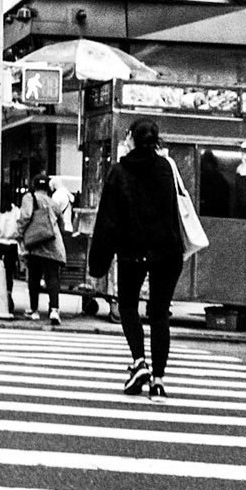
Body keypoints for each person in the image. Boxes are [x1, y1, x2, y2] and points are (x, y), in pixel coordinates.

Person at [88, 118, 184, 398]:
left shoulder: (118, 172)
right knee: (159, 313)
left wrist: (99, 260)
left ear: (130, 138)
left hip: (133, 252)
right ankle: (159, 379)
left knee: (128, 306)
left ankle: (139, 362)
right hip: (167, 251)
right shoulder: (166, 168)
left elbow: (108, 220)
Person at [18, 175, 70, 325]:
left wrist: (19, 233)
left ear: (34, 185)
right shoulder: (53, 203)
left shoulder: (29, 198)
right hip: (53, 243)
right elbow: (61, 224)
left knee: (34, 276)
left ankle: (34, 310)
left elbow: (25, 216)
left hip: (36, 242)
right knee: (52, 277)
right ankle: (54, 309)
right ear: (48, 188)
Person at [0, 190, 23, 314]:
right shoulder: (16, 210)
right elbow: (19, 226)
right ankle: (8, 294)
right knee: (9, 272)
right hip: (12, 244)